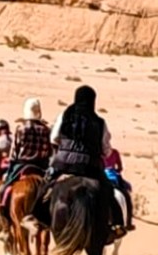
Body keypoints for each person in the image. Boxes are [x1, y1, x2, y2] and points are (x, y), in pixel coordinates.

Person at [49, 84, 131, 235]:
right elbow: (106, 150)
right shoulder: (99, 122)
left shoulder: (65, 116)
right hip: (89, 167)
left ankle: (33, 215)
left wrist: (64, 146)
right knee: (108, 191)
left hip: (64, 164)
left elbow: (54, 138)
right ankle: (117, 224)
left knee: (46, 184)